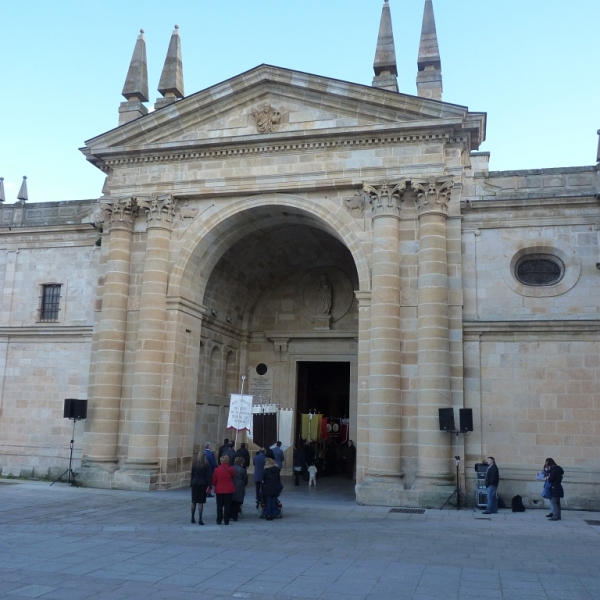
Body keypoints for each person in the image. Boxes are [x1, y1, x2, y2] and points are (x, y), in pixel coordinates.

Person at [212, 455, 235, 525]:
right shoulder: (231, 469)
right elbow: (233, 476)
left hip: (219, 489)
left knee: (219, 505)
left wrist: (216, 484)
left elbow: (213, 480)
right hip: (229, 489)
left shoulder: (216, 470)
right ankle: (226, 520)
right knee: (227, 505)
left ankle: (219, 519)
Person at [190, 451, 210, 525]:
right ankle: (200, 519)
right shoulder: (206, 465)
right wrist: (209, 485)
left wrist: (191, 483)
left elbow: (192, 474)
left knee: (194, 501)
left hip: (195, 483)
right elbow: (208, 476)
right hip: (202, 484)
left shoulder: (194, 464)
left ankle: (192, 518)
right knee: (200, 502)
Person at [231, 457, 248, 522]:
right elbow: (245, 479)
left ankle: (231, 515)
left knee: (232, 501)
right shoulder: (242, 470)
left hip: (232, 485)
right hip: (240, 486)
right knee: (237, 502)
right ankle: (235, 516)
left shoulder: (231, 468)